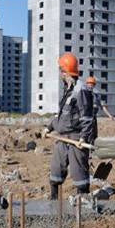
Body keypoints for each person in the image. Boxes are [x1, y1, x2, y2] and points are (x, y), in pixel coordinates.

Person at [42, 53, 96, 199]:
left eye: (61, 70)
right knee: (56, 171)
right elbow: (62, 115)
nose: (60, 74)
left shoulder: (81, 90)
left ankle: (84, 202)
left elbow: (87, 118)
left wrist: (84, 138)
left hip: (76, 138)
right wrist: (49, 127)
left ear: (65, 71)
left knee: (79, 174)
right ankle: (54, 203)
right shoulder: (68, 89)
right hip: (63, 138)